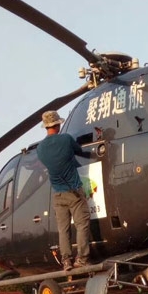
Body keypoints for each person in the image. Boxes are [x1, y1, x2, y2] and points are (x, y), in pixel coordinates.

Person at [36, 110, 92, 271]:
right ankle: (82, 258)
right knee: (82, 225)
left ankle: (66, 261)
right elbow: (79, 150)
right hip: (74, 191)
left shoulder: (40, 148)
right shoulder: (66, 139)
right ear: (58, 125)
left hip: (58, 194)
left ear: (46, 126)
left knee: (63, 230)